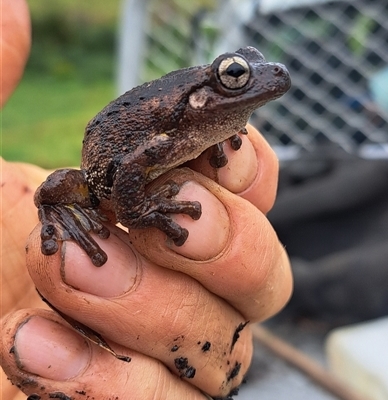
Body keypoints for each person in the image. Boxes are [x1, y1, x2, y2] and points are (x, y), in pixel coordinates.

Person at [0, 1, 292, 398]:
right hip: (102, 176)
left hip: (175, 142)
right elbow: (130, 171)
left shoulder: (205, 122)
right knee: (64, 187)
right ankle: (56, 210)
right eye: (236, 75)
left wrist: (219, 135)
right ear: (203, 96)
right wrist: (140, 212)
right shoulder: (170, 135)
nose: (264, 75)